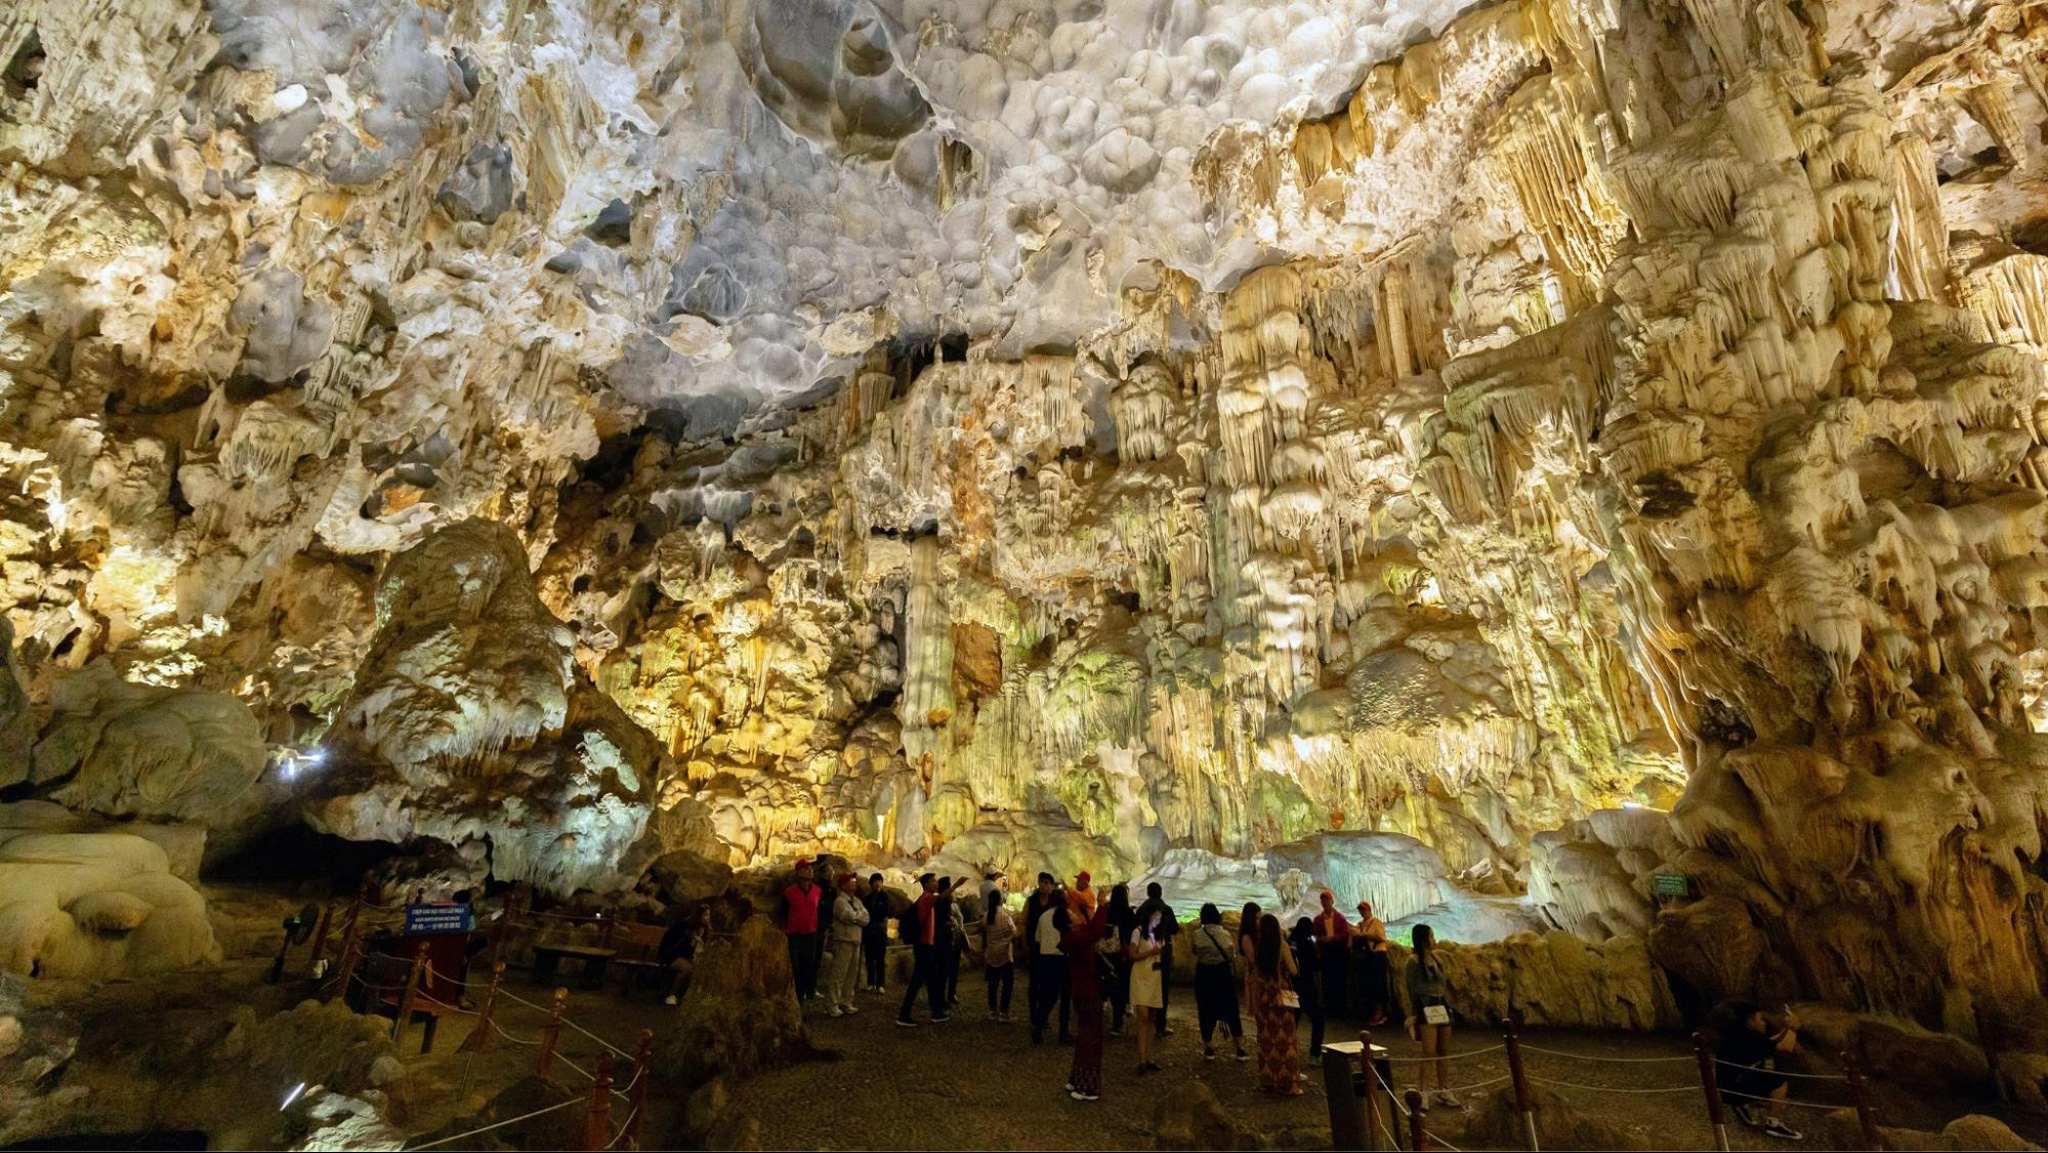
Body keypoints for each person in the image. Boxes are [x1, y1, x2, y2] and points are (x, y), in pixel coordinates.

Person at [1714, 1001, 1804, 1140]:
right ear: (1750, 1021)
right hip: (1733, 1090)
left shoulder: (1740, 1031)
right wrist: (1793, 1028)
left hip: (1729, 1086)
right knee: (1780, 1081)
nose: (1764, 1023)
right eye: (1761, 1019)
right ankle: (1773, 1124)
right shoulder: (1747, 1037)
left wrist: (1786, 1029)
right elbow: (1786, 1048)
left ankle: (1741, 1103)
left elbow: (1770, 1043)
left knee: (1770, 1063)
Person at [1061, 903, 1111, 1100]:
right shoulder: (1076, 938)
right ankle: (1088, 1088)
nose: (1074, 913)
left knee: (1085, 1037)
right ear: (1069, 922)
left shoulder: (1073, 936)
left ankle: (1075, 1079)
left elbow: (1091, 929)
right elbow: (1096, 932)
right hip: (1089, 993)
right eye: (1071, 914)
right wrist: (1104, 906)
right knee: (1091, 1040)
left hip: (1081, 992)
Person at [1249, 913, 1302, 1096]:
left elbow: (1255, 976)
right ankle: (1288, 1084)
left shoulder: (1258, 948)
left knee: (1267, 1042)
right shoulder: (1282, 947)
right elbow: (1293, 971)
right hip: (1281, 999)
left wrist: (1254, 1004)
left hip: (1264, 999)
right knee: (1285, 1041)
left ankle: (1269, 1081)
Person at [1405, 923, 1455, 1104]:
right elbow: (1411, 988)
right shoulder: (1413, 962)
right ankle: (1424, 1091)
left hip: (1442, 1005)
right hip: (1426, 1006)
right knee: (1428, 1051)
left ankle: (1444, 1089)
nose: (1434, 940)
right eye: (1431, 936)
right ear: (1423, 939)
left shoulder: (1437, 958)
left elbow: (1442, 983)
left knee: (1443, 1050)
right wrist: (1415, 1011)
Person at [1189, 904, 1248, 1061]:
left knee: (1205, 1010)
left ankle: (1209, 1048)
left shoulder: (1196, 935)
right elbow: (1231, 955)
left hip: (1204, 975)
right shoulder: (1225, 934)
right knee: (1231, 1011)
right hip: (1223, 975)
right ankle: (1240, 1048)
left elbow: (1194, 951)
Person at [1025, 873, 1072, 1044]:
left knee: (1047, 996)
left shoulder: (1043, 917)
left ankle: (1038, 1027)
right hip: (1061, 959)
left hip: (1045, 959)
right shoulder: (1066, 915)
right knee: (1065, 997)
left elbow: (1037, 938)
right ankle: (1063, 1033)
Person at [896, 873, 948, 1026]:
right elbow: (942, 897)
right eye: (933, 881)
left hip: (926, 944)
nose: (936, 883)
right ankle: (904, 1015)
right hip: (924, 945)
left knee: (930, 979)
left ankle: (936, 1012)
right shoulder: (927, 898)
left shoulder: (926, 898)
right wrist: (957, 884)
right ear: (926, 885)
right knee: (918, 981)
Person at [776, 858, 824, 1003]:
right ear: (798, 872)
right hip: (794, 934)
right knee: (795, 966)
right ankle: (794, 996)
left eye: (811, 869)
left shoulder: (817, 891)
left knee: (808, 965)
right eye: (806, 868)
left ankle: (802, 995)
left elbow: (820, 911)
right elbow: (782, 913)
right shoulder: (789, 893)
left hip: (811, 933)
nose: (810, 871)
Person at [1128, 904, 1168, 1073]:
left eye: (1159, 918)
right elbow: (1132, 954)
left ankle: (1149, 1057)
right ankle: (1141, 1059)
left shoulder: (1158, 934)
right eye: (1155, 917)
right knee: (1143, 1016)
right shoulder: (1138, 932)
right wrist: (1150, 953)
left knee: (1151, 1017)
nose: (1157, 921)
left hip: (1154, 977)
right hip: (1141, 976)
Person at [1135, 882, 1178, 1038]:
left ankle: (1144, 1022)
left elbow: (1136, 927)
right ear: (1160, 893)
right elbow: (1175, 928)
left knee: (1146, 985)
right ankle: (1160, 1025)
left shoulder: (1142, 909)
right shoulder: (1166, 909)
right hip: (1162, 952)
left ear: (1148, 893)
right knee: (1162, 987)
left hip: (1145, 951)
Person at [824, 874, 869, 1016]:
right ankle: (833, 1004)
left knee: (851, 974)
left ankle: (846, 1001)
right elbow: (847, 916)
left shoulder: (857, 901)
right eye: (851, 881)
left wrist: (856, 917)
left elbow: (866, 918)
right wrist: (858, 916)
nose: (854, 883)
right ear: (843, 885)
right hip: (843, 941)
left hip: (856, 940)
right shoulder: (839, 901)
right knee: (839, 973)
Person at [657, 903, 711, 1006]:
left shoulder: (703, 930)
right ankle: (672, 994)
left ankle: (687, 996)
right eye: (705, 915)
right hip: (671, 955)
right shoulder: (683, 926)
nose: (708, 918)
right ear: (698, 916)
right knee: (687, 968)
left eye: (709, 915)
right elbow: (674, 944)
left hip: (685, 956)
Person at [1289, 917, 1327, 1062]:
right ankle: (1315, 1053)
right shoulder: (1308, 944)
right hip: (1307, 987)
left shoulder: (1290, 942)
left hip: (1293, 987)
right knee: (1318, 1019)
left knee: (1293, 1020)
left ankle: (1288, 1051)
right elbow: (1317, 965)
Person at [1103, 883, 1136, 1035]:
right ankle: (1117, 1021)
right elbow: (1132, 932)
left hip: (1107, 954)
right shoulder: (1128, 913)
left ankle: (1105, 1003)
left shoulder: (1107, 911)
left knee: (1109, 982)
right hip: (1123, 954)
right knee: (1122, 986)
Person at [1313, 891, 1351, 1022]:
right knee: (1327, 979)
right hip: (1326, 952)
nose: (1325, 903)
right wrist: (1320, 941)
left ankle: (1340, 1007)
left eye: (1327, 900)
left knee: (1339, 979)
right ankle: (1329, 1006)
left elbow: (1344, 934)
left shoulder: (1340, 918)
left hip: (1338, 951)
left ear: (1332, 902)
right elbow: (1315, 934)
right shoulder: (1318, 919)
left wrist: (1332, 938)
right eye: (1323, 901)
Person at [1352, 900, 1390, 1026]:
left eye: (1364, 910)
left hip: (1377, 955)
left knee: (1378, 984)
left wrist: (1365, 935)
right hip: (1365, 957)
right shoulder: (1359, 924)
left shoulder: (1376, 922)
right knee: (1368, 985)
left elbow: (1382, 938)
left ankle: (1380, 1012)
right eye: (1360, 910)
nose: (1362, 912)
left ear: (1369, 910)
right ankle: (1370, 1012)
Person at [984, 884, 1018, 1021]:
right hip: (1005, 955)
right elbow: (1014, 932)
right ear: (1000, 900)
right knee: (1007, 984)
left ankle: (992, 1011)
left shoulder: (986, 916)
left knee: (993, 984)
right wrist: (1006, 940)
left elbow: (983, 930)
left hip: (991, 954)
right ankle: (1004, 1012)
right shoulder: (1005, 917)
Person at [861, 873, 891, 993]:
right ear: (871, 883)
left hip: (880, 931)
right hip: (869, 931)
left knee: (880, 958)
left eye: (879, 881)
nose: (878, 883)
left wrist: (873, 916)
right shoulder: (867, 898)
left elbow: (884, 912)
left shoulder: (885, 896)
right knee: (869, 958)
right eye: (875, 881)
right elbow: (865, 912)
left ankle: (880, 984)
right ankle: (871, 982)